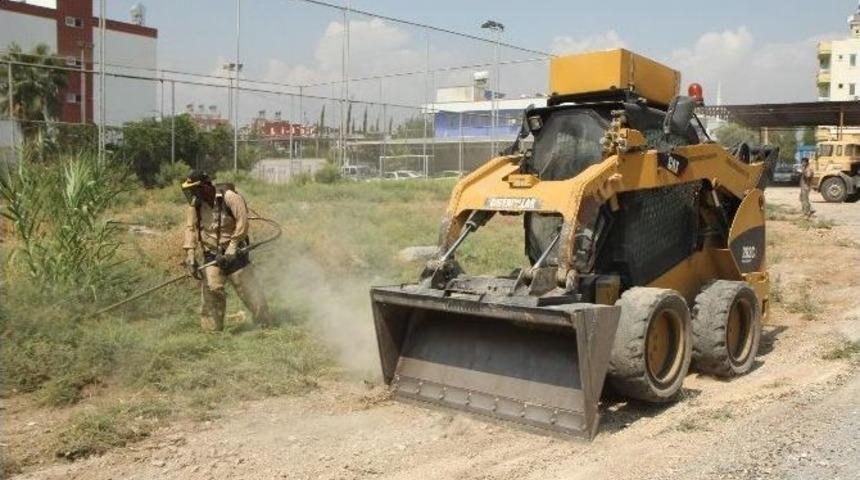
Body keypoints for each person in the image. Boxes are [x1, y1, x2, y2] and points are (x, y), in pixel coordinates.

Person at [180, 170, 272, 331]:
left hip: (236, 252)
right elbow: (191, 229)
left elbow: (242, 223)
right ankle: (212, 331)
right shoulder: (195, 205)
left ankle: (264, 324)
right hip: (211, 254)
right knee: (212, 290)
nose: (193, 193)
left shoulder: (230, 198)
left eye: (195, 189)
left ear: (206, 186)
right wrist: (190, 256)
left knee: (248, 290)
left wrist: (233, 246)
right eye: (190, 190)